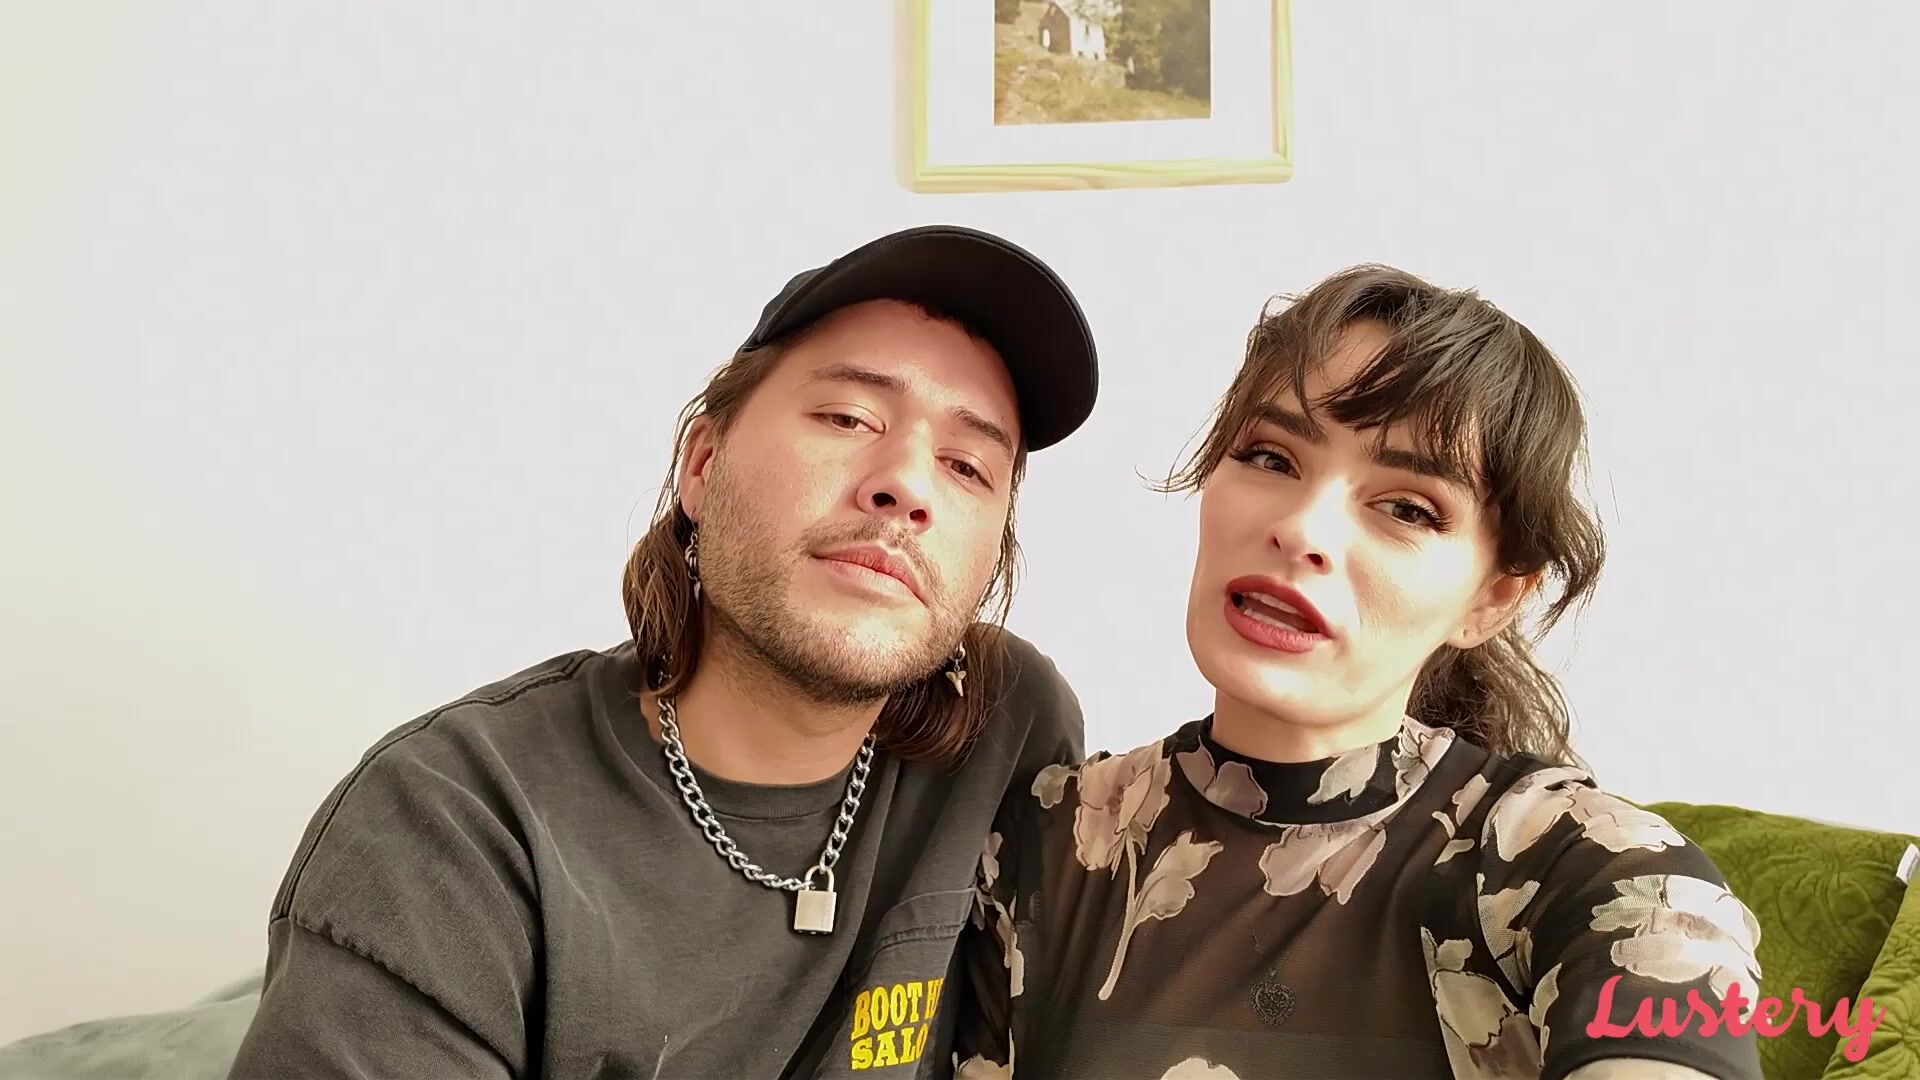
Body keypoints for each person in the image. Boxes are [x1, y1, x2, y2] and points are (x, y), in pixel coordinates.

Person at [227, 224, 1098, 1078]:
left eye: (967, 466)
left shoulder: (1008, 725)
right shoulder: (450, 825)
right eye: (848, 416)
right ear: (703, 466)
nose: (906, 485)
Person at [955, 265, 1766, 1079]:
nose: (1302, 528)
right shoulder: (1042, 846)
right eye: (1271, 457)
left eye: (1407, 508)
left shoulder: (1599, 876)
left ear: (1490, 599)